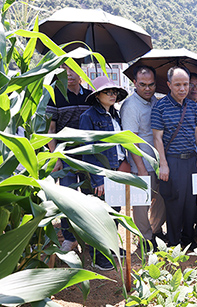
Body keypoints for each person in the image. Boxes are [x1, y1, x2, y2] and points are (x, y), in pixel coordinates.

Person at [151, 66, 197, 247]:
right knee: (174, 204)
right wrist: (163, 164)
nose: (183, 89)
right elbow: (157, 138)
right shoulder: (160, 106)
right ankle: (174, 242)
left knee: (191, 203)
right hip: (172, 161)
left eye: (186, 84)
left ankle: (188, 240)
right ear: (169, 85)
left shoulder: (192, 105)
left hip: (192, 160)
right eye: (177, 85)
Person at [79, 76, 129, 270]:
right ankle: (98, 255)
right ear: (97, 95)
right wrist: (97, 178)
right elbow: (88, 149)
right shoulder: (88, 116)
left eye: (114, 92)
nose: (112, 95)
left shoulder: (115, 114)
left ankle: (110, 247)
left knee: (114, 211)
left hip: (115, 169)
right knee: (99, 215)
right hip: (100, 171)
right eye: (108, 92)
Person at [46, 62, 92, 252]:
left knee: (91, 197)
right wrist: (56, 158)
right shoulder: (54, 96)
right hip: (65, 156)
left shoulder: (91, 96)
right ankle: (69, 238)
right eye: (65, 70)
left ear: (82, 73)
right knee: (67, 198)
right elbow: (50, 130)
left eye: (73, 69)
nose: (69, 74)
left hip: (89, 156)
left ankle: (91, 236)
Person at [120, 65, 166, 249]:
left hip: (157, 163)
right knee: (141, 205)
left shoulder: (154, 101)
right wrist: (140, 169)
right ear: (134, 83)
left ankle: (155, 230)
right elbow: (130, 140)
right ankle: (145, 239)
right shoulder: (130, 106)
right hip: (141, 165)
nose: (147, 88)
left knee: (161, 200)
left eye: (151, 84)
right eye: (142, 84)